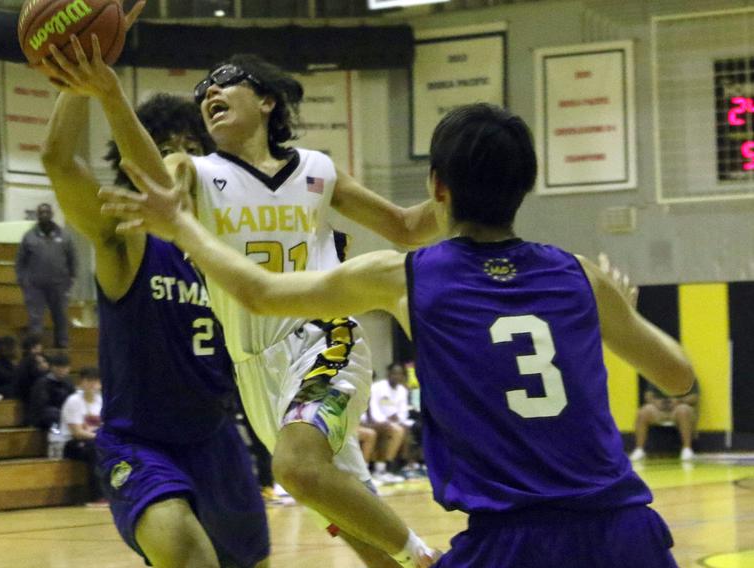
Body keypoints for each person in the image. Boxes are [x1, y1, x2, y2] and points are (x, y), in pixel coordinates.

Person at [105, 102, 698, 568]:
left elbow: (259, 293)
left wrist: (179, 226)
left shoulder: (405, 275)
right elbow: (677, 376)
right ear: (526, 185)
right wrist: (620, 309)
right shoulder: (581, 276)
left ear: (437, 187)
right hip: (626, 531)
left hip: (511, 543)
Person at [48, 40, 437, 567]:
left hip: (322, 339)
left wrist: (471, 189)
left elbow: (406, 227)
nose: (211, 91)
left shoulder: (317, 169)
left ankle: (429, 559)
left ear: (268, 101)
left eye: (225, 80)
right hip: (255, 372)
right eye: (203, 89)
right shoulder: (197, 171)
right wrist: (111, 94)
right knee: (355, 518)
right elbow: (159, 180)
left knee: (297, 470)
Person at [38, 23, 271, 566]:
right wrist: (82, 79)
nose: (179, 163)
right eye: (165, 149)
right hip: (141, 443)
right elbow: (56, 158)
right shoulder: (123, 234)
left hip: (217, 439)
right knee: (187, 554)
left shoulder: (227, 247)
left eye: (192, 150)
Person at [14, 203, 77, 349]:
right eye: (41, 213)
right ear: (37, 215)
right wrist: (23, 281)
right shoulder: (29, 236)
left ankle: (62, 345)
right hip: (35, 287)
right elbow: (20, 261)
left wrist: (71, 279)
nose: (44, 215)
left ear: (51, 214)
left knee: (60, 316)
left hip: (59, 285)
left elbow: (72, 260)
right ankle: (36, 347)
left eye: (47, 212)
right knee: (35, 319)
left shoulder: (65, 236)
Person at [58, 367, 105, 504]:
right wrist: (100, 437)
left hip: (93, 440)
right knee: (96, 450)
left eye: (96, 381)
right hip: (72, 443)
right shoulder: (74, 401)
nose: (92, 384)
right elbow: (77, 433)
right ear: (81, 382)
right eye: (88, 381)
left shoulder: (100, 400)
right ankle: (98, 496)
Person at [366, 364, 415, 484]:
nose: (396, 376)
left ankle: (384, 468)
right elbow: (373, 408)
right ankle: (380, 469)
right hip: (375, 421)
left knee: (404, 429)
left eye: (399, 374)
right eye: (394, 373)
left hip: (394, 422)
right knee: (395, 430)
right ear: (388, 374)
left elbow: (403, 411)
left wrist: (398, 417)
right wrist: (385, 420)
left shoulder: (402, 390)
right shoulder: (377, 387)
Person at [630, 380, 700, 462]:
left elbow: (695, 397)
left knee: (683, 410)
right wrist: (656, 402)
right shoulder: (655, 376)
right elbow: (648, 396)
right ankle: (639, 450)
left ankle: (687, 449)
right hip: (659, 410)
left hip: (678, 409)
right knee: (643, 412)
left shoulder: (688, 375)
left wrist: (679, 401)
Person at [27, 352, 75, 430]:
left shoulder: (68, 383)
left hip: (63, 414)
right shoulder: (42, 383)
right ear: (52, 367)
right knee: (52, 413)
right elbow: (42, 407)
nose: (61, 370)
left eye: (64, 367)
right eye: (58, 367)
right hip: (44, 417)